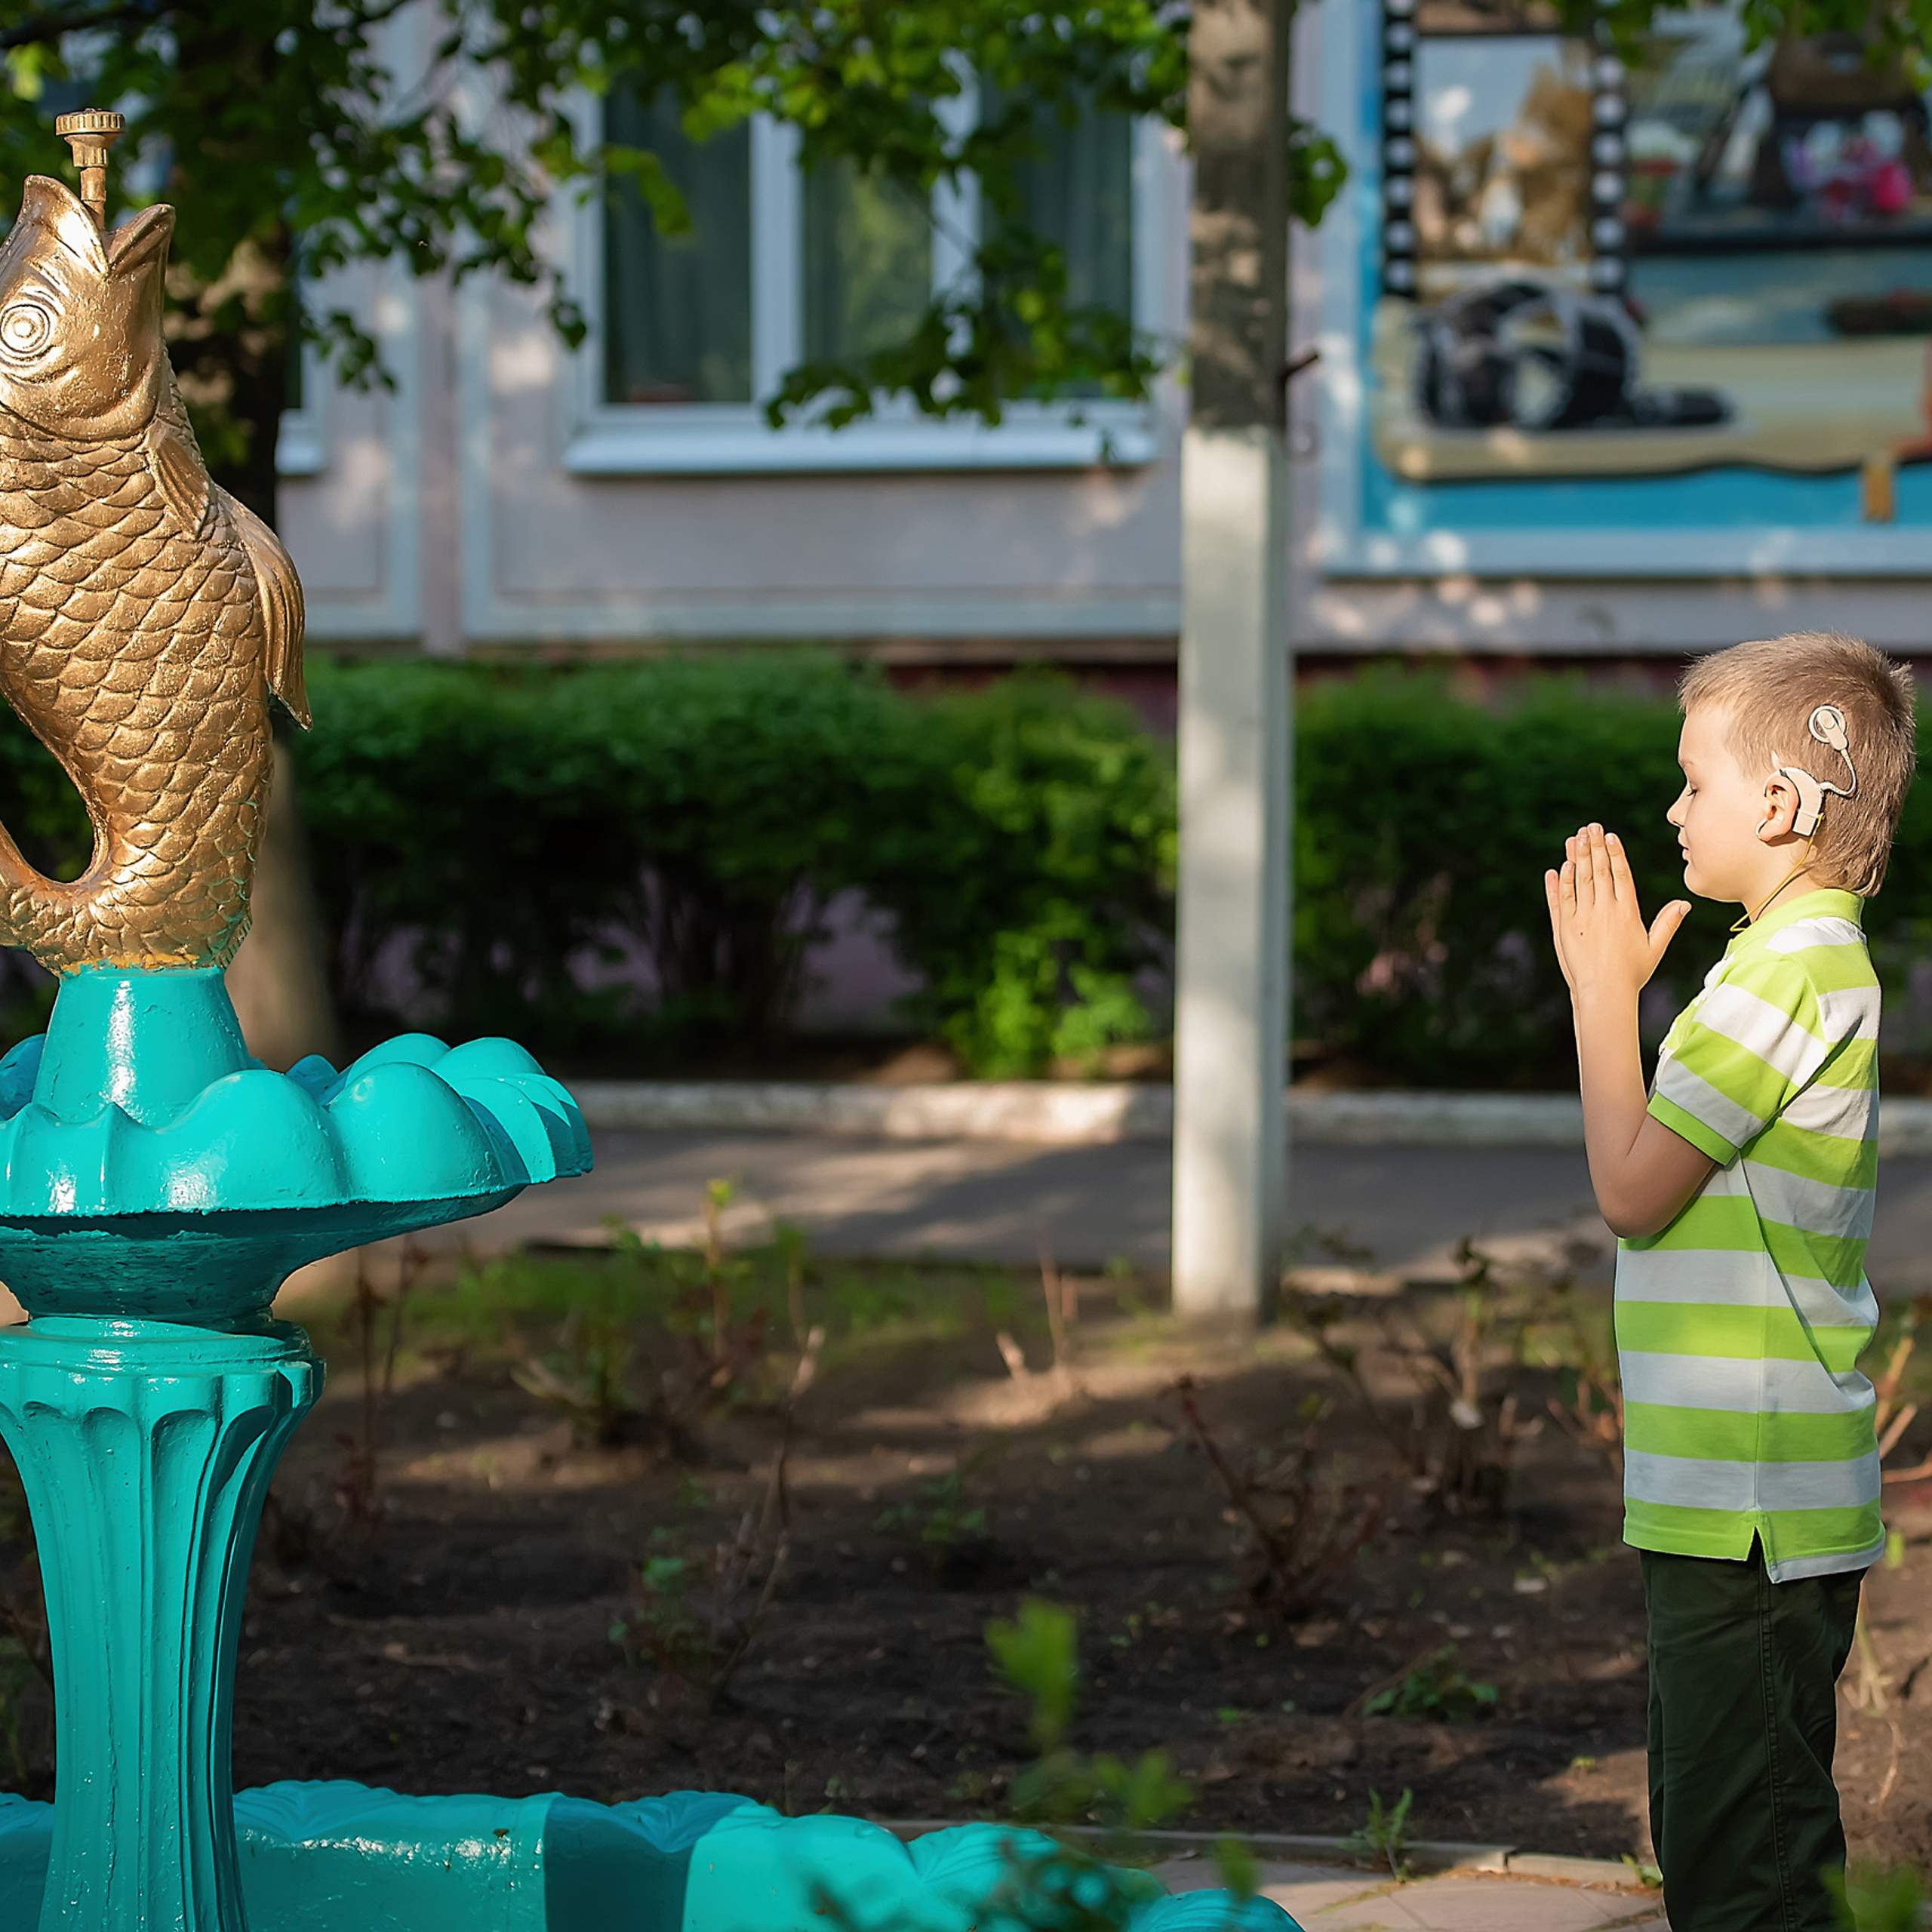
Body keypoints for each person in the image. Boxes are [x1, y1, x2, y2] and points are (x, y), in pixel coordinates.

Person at [1543, 631, 1916, 1932]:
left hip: (1751, 1507)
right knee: (1731, 1834)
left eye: (1691, 781)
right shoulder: (1789, 967)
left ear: (1778, 804)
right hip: (1735, 1500)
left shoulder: (1785, 974)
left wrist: (1601, 1000)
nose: (1671, 809)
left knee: (1743, 1868)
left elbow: (1633, 1191)